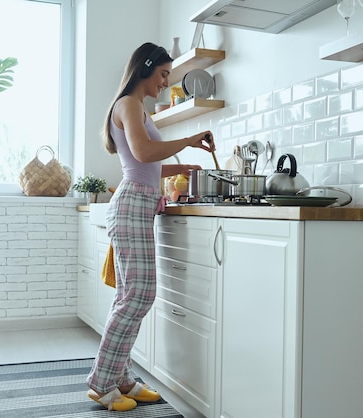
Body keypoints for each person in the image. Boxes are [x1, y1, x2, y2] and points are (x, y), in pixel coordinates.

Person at [86, 42, 216, 412]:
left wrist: (186, 169)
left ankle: (121, 377)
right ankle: (101, 381)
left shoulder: (137, 109)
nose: (164, 82)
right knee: (139, 296)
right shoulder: (128, 104)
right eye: (163, 74)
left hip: (138, 204)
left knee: (130, 296)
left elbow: (146, 164)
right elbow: (143, 155)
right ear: (145, 67)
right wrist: (189, 140)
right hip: (131, 206)